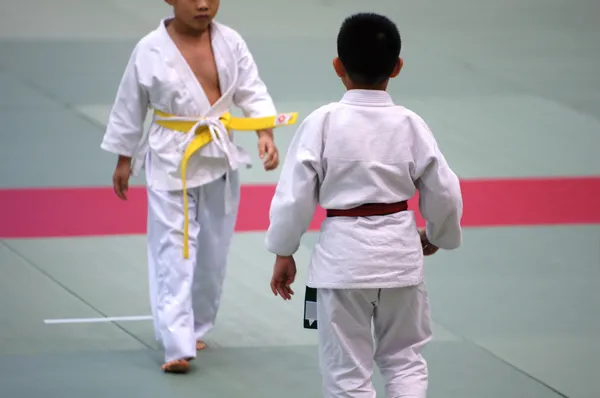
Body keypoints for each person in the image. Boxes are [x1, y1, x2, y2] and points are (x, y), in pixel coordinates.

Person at [265, 12, 463, 398]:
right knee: (405, 361)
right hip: (400, 258)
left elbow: (294, 197)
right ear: (398, 66)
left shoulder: (322, 123)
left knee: (346, 376)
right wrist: (439, 234)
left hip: (343, 263)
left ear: (338, 66)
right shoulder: (411, 124)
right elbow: (446, 192)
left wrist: (284, 250)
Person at [101, 0, 297, 374]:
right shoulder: (150, 48)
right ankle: (176, 343)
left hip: (219, 156)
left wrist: (265, 133)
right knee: (173, 249)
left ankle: (196, 325)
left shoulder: (230, 42)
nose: (203, 4)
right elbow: (130, 103)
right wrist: (124, 158)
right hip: (171, 160)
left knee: (213, 252)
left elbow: (251, 90)